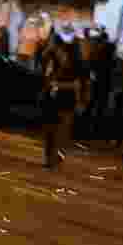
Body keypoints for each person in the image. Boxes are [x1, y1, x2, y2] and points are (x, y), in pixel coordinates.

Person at [40, 33, 85, 170]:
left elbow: (78, 84)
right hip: (53, 98)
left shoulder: (76, 63)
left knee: (61, 131)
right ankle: (51, 158)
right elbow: (46, 74)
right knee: (50, 130)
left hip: (66, 99)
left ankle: (55, 157)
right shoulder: (51, 58)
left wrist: (79, 102)